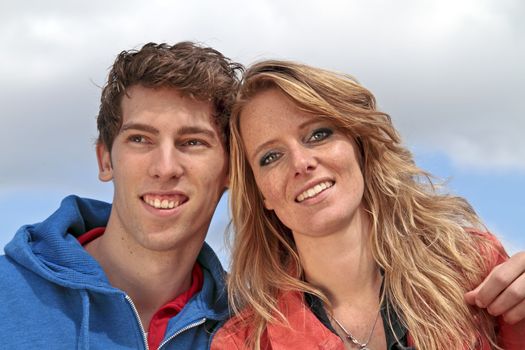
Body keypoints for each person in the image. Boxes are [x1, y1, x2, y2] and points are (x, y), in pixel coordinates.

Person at [212, 60, 525, 349]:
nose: (301, 163)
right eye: (271, 157)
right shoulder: (243, 342)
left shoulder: (472, 266)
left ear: (357, 146)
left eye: (318, 134)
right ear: (261, 193)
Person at [0, 42, 242, 349]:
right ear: (105, 160)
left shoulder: (255, 328)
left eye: (192, 142)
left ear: (232, 170)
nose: (164, 168)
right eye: (140, 139)